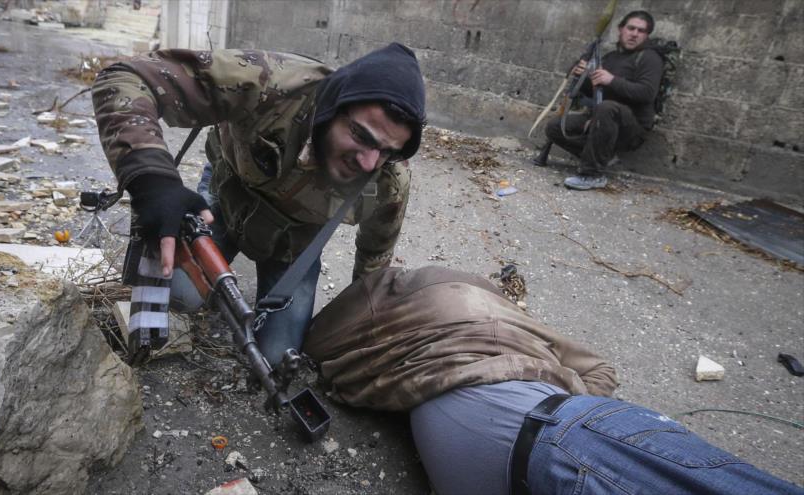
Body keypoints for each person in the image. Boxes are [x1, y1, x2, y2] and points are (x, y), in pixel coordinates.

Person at [303, 266, 803, 495]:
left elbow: (319, 342)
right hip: (560, 435)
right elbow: (601, 371)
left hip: (559, 437)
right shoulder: (461, 301)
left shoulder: (489, 314)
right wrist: (555, 382)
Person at [91, 43, 426, 367]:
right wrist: (153, 180)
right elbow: (126, 77)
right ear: (332, 106)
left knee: (279, 357)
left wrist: (359, 331)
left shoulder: (388, 180)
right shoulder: (270, 82)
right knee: (179, 298)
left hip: (291, 247)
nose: (369, 162)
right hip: (224, 201)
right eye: (361, 135)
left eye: (386, 150)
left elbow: (374, 259)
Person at [543, 10, 663, 191]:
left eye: (641, 31)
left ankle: (592, 174)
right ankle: (603, 157)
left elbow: (646, 93)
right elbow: (591, 91)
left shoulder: (650, 58)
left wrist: (611, 80)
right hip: (602, 119)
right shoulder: (610, 58)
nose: (634, 34)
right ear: (621, 30)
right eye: (631, 28)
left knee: (607, 108)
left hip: (631, 128)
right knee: (555, 127)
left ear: (646, 35)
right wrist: (580, 75)